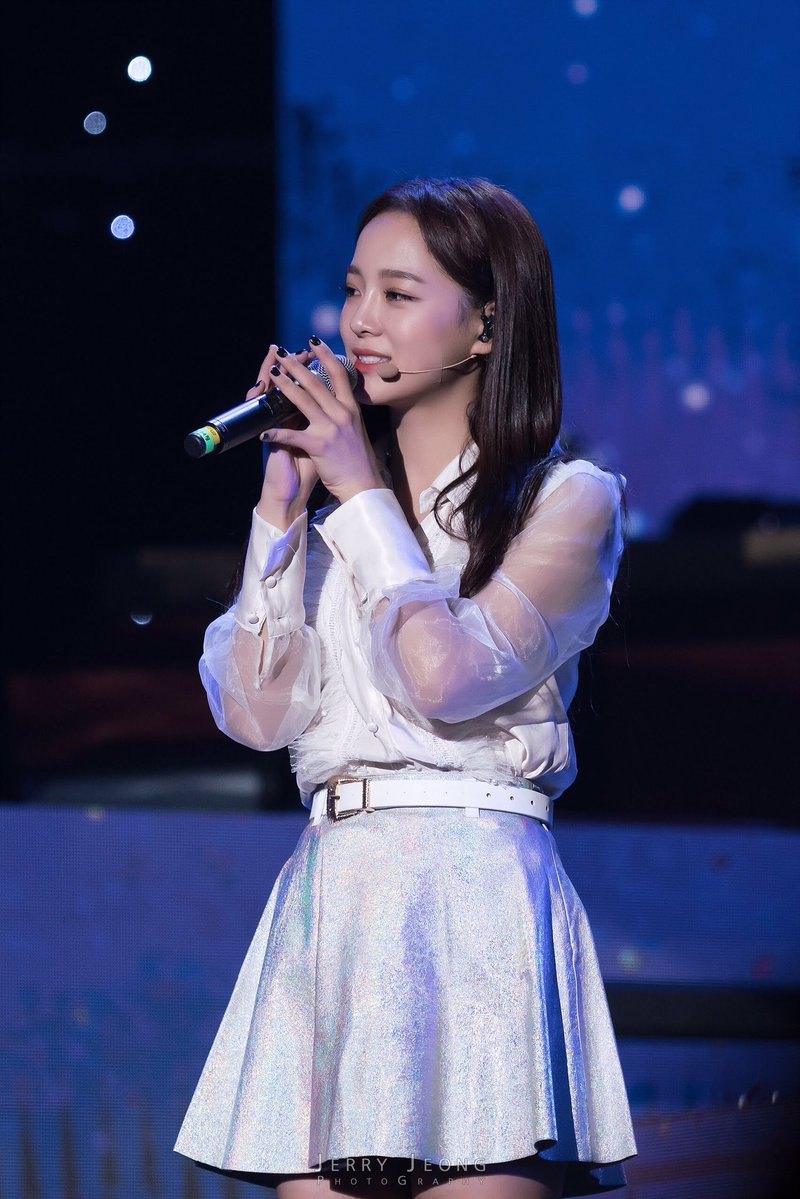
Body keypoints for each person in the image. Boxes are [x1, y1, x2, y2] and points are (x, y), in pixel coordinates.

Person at [174, 177, 638, 1199]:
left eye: (398, 293)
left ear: (485, 326)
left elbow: (446, 675)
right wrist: (280, 511)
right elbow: (255, 715)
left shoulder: (567, 501)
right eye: (353, 290)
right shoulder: (331, 527)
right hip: (334, 895)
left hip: (475, 894)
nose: (359, 323)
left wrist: (359, 492)